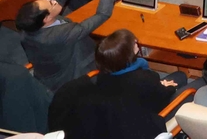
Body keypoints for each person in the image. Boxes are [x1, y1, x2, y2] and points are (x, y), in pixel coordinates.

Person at [47, 29, 189, 139]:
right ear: (127, 55)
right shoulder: (144, 78)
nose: (137, 43)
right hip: (144, 117)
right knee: (181, 78)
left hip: (120, 114)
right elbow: (159, 99)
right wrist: (169, 87)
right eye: (134, 43)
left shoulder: (100, 77)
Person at [17, 0, 115, 92]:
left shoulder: (28, 26)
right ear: (46, 19)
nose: (53, 0)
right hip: (75, 73)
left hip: (49, 72)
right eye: (50, 2)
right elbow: (103, 14)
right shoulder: (61, 34)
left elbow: (57, 1)